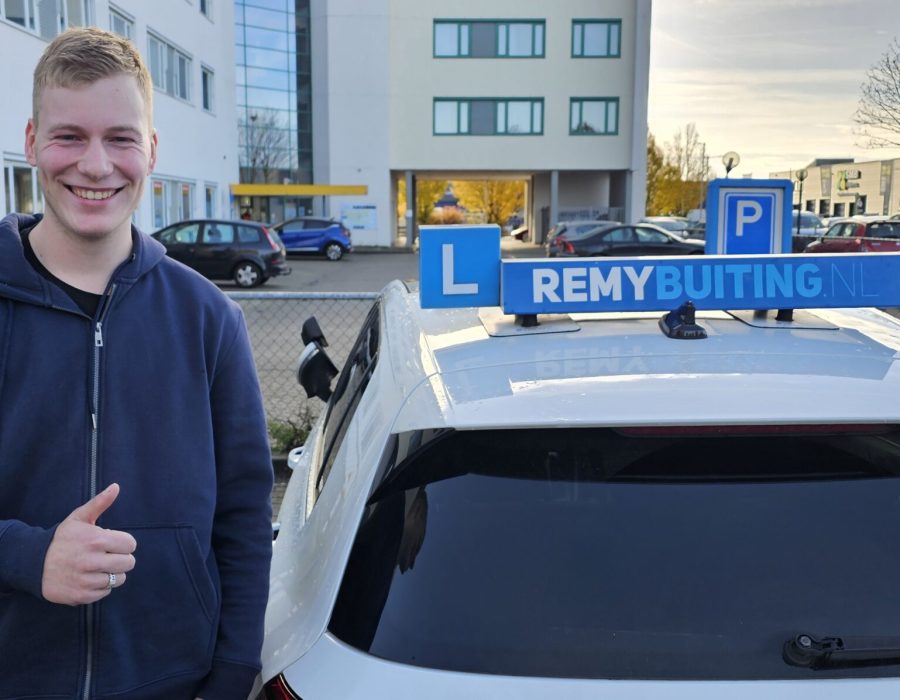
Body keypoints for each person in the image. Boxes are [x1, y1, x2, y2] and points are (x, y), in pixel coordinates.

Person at [0, 27, 273, 700]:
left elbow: (243, 516)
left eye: (120, 138)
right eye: (70, 137)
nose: (95, 165)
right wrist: (27, 556)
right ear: (32, 142)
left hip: (171, 683)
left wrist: (232, 674)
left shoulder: (209, 319)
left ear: (150, 150)